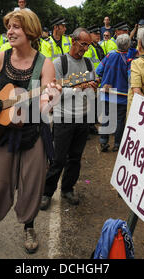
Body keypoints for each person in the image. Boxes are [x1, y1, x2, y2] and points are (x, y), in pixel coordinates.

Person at [0, 9, 61, 255]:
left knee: (32, 183)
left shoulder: (45, 64)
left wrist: (50, 101)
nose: (10, 31)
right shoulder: (1, 58)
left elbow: (43, 105)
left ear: (30, 31)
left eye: (16, 27)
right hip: (1, 134)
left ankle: (29, 225)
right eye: (9, 27)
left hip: (32, 133)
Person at [40, 27, 97, 210]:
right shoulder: (59, 63)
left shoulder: (89, 64)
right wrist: (76, 89)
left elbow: (92, 89)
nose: (85, 49)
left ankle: (67, 189)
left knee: (75, 158)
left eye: (88, 45)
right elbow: (52, 92)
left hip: (82, 118)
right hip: (63, 118)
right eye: (83, 44)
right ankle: (47, 192)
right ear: (73, 41)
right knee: (58, 159)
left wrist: (92, 88)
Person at [96, 34, 131, 152]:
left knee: (106, 117)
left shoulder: (109, 55)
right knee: (120, 120)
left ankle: (103, 142)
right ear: (128, 45)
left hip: (107, 93)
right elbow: (131, 77)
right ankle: (117, 144)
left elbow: (98, 70)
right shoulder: (129, 59)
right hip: (122, 95)